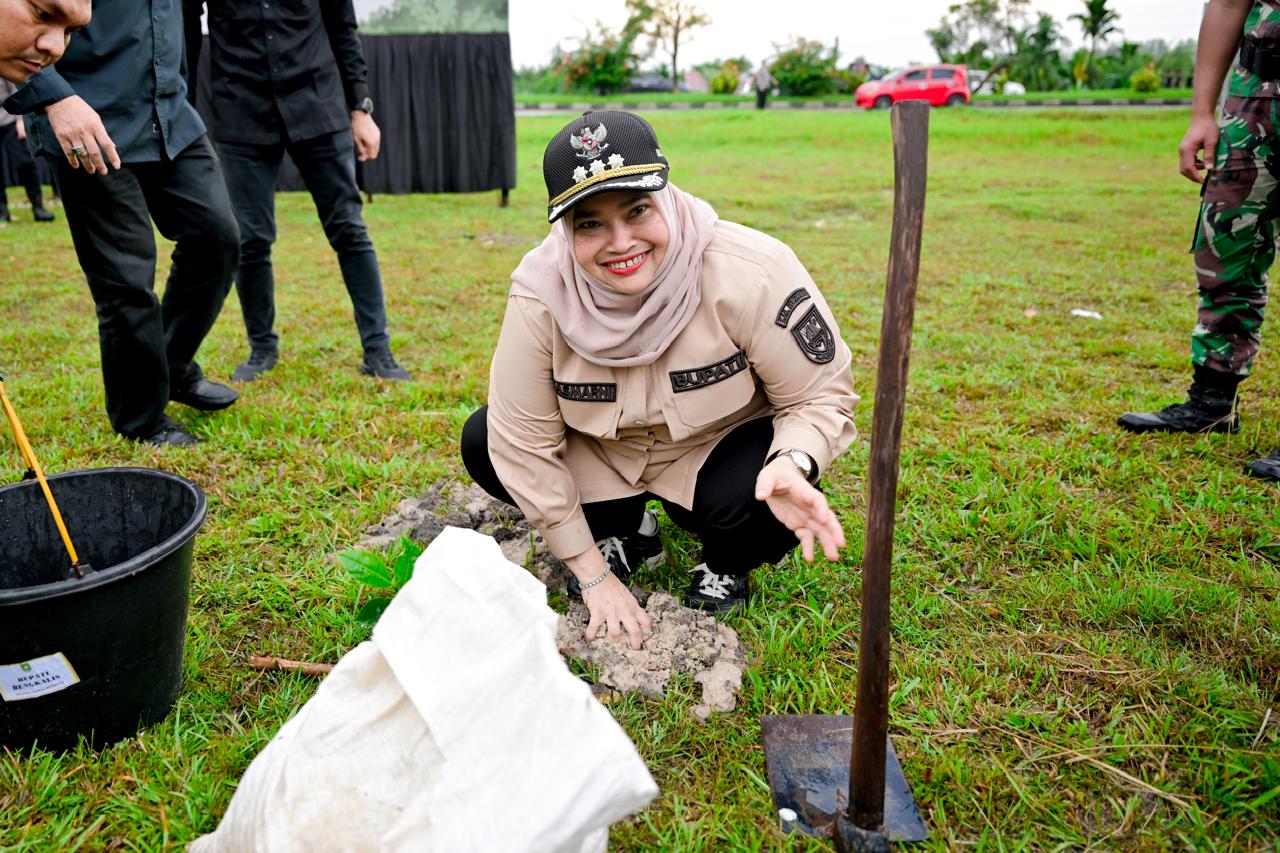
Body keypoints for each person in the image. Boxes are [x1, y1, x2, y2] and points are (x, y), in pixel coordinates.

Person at [460, 112, 857, 650]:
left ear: (665, 194)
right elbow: (523, 443)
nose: (620, 242)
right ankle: (619, 536)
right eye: (590, 223)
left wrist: (792, 462)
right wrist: (592, 576)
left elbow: (818, 396)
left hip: (709, 454)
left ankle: (724, 564)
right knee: (487, 439)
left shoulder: (752, 270)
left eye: (637, 210)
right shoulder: (538, 295)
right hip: (604, 454)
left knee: (763, 492)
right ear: (563, 230)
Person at [3, 0, 242, 447]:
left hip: (171, 113)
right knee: (126, 278)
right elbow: (24, 12)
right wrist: (52, 96)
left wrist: (179, 89)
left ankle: (171, 367)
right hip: (87, 115)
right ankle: (141, 418)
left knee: (218, 238)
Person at [186, 0, 411, 383]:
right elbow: (187, 31)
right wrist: (185, 109)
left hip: (317, 104)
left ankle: (378, 350)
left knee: (349, 229)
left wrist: (361, 108)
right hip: (241, 109)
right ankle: (262, 348)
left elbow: (342, 27)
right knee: (251, 240)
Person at [1118, 0, 1279, 483]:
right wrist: (1202, 112)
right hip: (1256, 95)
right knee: (1225, 243)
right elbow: (1228, 1)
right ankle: (1211, 403)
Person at [0, 82, 54, 222]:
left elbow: (16, 91)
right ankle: (2, 212)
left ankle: (38, 208)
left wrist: (20, 120)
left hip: (10, 120)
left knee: (25, 163)